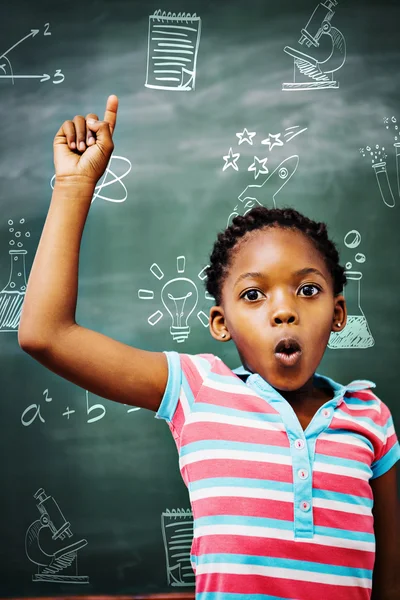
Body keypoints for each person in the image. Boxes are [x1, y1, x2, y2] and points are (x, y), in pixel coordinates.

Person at [18, 96, 400, 600]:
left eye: (307, 290)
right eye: (253, 294)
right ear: (221, 323)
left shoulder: (369, 417)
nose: (283, 311)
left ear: (338, 315)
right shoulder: (196, 390)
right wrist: (73, 185)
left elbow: (390, 582)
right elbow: (46, 334)